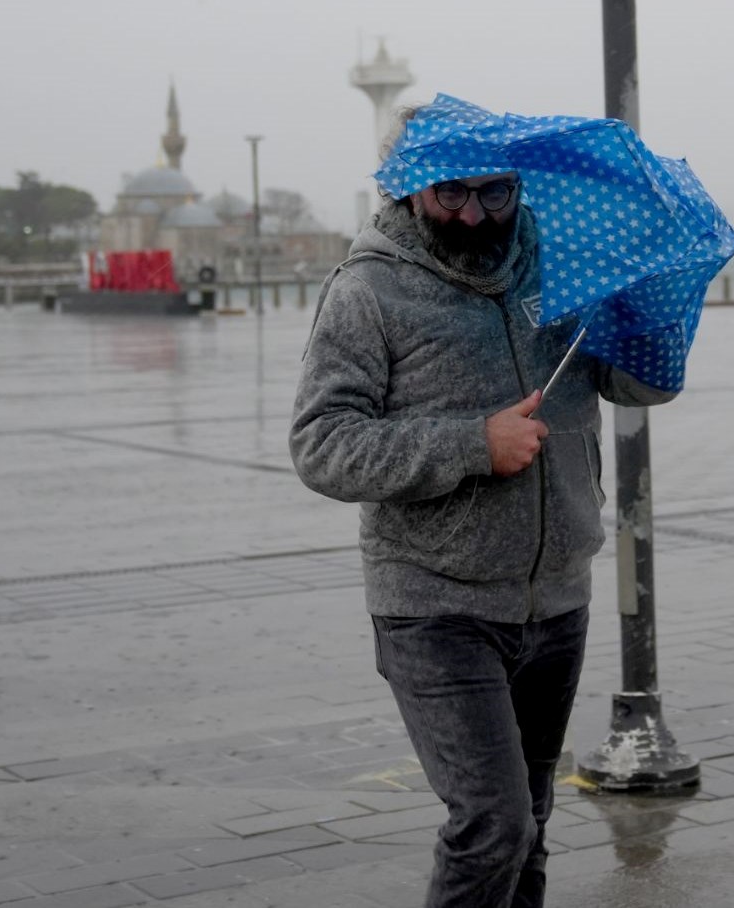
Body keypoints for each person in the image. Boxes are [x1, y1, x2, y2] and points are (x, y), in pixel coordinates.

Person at [289, 133, 677, 906]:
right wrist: (474, 443)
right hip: (435, 608)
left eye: (494, 193)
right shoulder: (369, 291)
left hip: (558, 599)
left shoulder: (564, 267)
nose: (473, 214)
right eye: (450, 193)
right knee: (493, 825)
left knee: (530, 822)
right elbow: (322, 444)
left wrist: (646, 326)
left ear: (518, 187)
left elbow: (636, 391)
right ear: (407, 190)